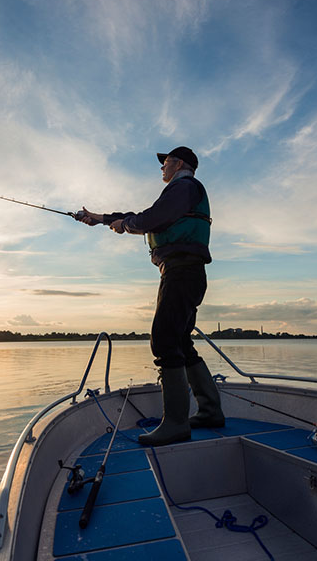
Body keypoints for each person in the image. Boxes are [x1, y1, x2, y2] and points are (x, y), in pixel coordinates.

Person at [76, 146, 224, 446]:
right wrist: (103, 219)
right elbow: (147, 217)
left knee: (164, 340)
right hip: (183, 271)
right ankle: (209, 412)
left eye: (165, 162)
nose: (161, 168)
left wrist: (126, 225)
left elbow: (148, 219)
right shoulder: (183, 191)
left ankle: (176, 424)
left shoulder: (184, 187)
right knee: (180, 341)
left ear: (179, 163)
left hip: (182, 271)